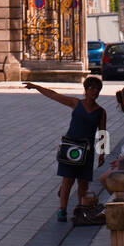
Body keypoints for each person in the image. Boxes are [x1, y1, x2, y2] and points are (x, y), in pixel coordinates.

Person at [26, 77, 107, 222]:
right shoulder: (76, 103)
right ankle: (62, 210)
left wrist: (102, 154)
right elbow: (53, 95)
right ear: (86, 90)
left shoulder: (101, 112)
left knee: (83, 182)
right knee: (68, 180)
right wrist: (35, 86)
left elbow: (102, 133)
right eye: (91, 88)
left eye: (97, 89)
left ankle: (80, 209)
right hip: (71, 147)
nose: (94, 92)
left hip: (87, 150)